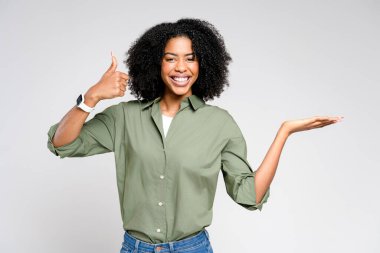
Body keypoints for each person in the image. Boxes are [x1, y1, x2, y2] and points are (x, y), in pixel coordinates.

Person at [47, 18, 343, 253]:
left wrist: (285, 132)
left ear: (203, 65)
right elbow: (63, 143)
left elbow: (249, 195)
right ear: (156, 63)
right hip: (135, 248)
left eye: (190, 58)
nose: (181, 68)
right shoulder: (125, 117)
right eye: (170, 58)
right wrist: (92, 96)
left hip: (193, 249)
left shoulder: (219, 124)